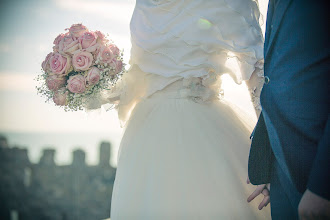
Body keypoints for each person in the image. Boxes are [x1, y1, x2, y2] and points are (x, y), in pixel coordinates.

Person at [94, 0, 270, 219]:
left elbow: (257, 73)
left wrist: (268, 149)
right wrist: (95, 86)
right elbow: (140, 75)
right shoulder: (146, 4)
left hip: (201, 128)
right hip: (146, 135)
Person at [247, 0, 330, 219]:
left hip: (317, 167)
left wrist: (323, 185)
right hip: (283, 167)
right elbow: (273, 79)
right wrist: (267, 155)